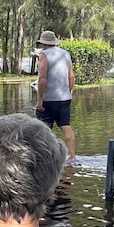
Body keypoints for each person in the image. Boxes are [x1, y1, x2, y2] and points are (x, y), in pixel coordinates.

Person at [34, 30, 76, 163]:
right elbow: (71, 77)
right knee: (66, 125)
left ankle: (44, 157)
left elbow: (42, 78)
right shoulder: (66, 54)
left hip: (49, 99)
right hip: (65, 98)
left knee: (43, 129)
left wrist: (40, 99)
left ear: (43, 43)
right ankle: (72, 156)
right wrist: (68, 91)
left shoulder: (43, 55)